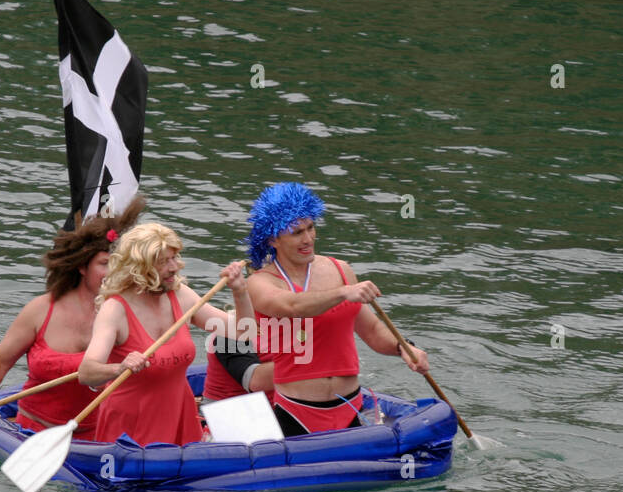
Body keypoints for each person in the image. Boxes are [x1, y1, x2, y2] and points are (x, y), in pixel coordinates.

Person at [244, 182, 430, 436]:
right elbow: (292, 305)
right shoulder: (259, 283)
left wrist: (403, 347)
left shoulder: (341, 270)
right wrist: (344, 292)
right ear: (273, 239)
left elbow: (372, 329)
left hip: (351, 405)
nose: (308, 238)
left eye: (311, 228)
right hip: (297, 411)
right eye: (297, 233)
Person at [0, 198, 145, 437]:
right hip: (32, 433)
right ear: (82, 267)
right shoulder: (40, 310)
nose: (113, 272)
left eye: (119, 264)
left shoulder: (132, 312)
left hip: (105, 437)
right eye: (105, 263)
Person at [79, 222, 253, 445]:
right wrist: (120, 367)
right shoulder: (115, 309)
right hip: (131, 427)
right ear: (140, 267)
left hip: (181, 417)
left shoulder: (181, 295)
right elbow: (87, 373)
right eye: (163, 262)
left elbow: (243, 332)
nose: (174, 267)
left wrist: (240, 291)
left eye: (174, 258)